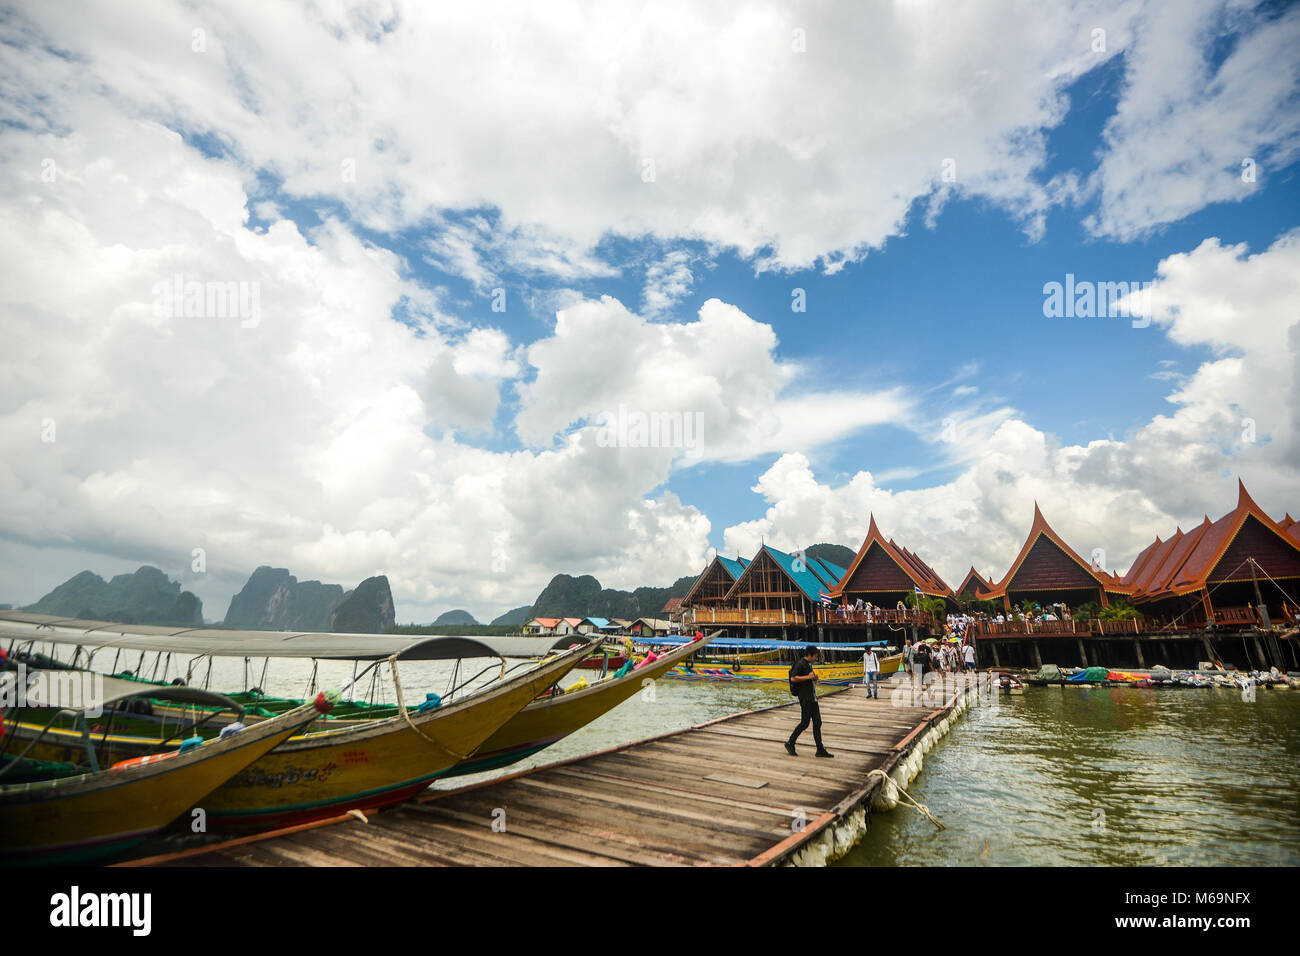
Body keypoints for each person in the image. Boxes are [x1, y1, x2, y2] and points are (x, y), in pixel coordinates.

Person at [786, 646, 833, 758]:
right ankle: (790, 743)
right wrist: (808, 677)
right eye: (816, 656)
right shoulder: (800, 664)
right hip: (805, 698)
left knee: (817, 722)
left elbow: (808, 678)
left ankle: (820, 749)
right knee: (805, 722)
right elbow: (793, 678)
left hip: (812, 697)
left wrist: (813, 678)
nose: (816, 658)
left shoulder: (809, 665)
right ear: (810, 655)